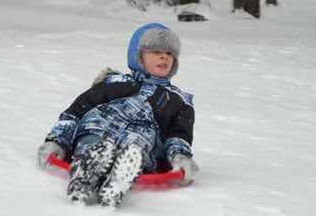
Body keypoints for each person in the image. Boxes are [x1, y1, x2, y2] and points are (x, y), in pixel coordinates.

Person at [37, 23, 198, 207]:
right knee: (94, 144)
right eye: (156, 51)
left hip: (140, 138)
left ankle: (121, 176)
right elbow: (76, 112)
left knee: (136, 151)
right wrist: (57, 141)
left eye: (169, 53)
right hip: (99, 125)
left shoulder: (179, 100)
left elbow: (177, 136)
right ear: (139, 57)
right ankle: (87, 168)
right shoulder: (115, 82)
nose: (164, 56)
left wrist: (180, 157)